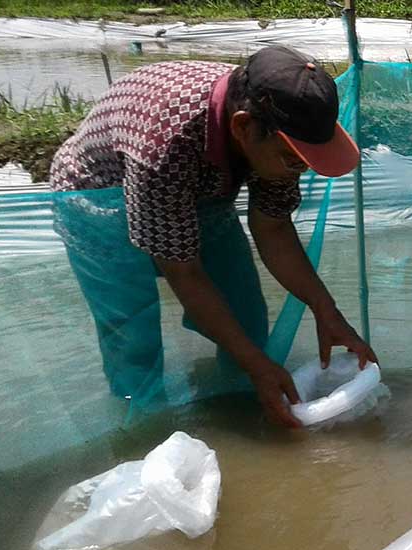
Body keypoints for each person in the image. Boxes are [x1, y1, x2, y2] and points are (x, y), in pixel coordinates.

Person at [49, 45, 377, 428]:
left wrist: (327, 311)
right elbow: (184, 273)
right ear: (242, 127)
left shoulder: (272, 123)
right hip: (99, 198)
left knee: (246, 312)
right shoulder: (165, 142)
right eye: (294, 160)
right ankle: (139, 432)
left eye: (307, 162)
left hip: (203, 185)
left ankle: (240, 408)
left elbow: (272, 228)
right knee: (133, 341)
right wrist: (258, 367)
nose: (300, 171)